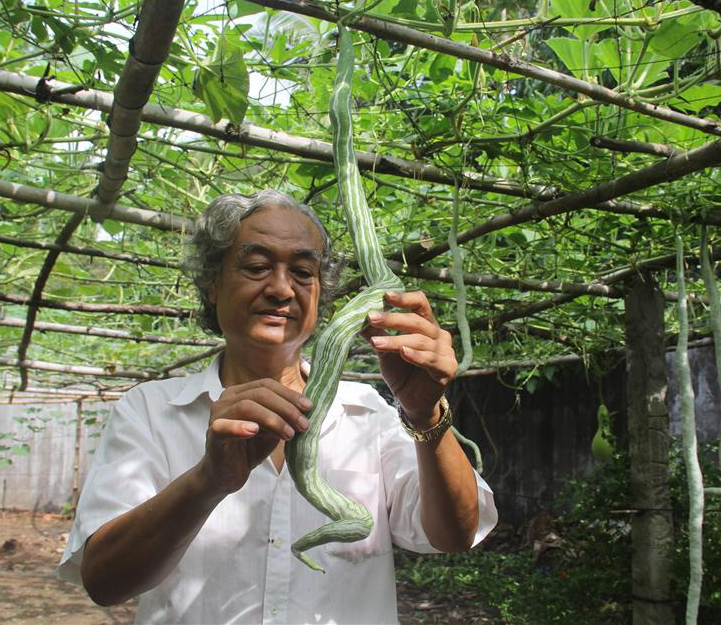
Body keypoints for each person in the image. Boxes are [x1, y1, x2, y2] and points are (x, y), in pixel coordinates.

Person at [57, 190, 497, 624]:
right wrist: (207, 482)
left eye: (303, 272)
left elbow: (455, 534)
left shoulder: (368, 412)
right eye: (257, 266)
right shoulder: (150, 411)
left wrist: (426, 414)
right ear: (212, 283)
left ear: (321, 293)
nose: (282, 288)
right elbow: (104, 582)